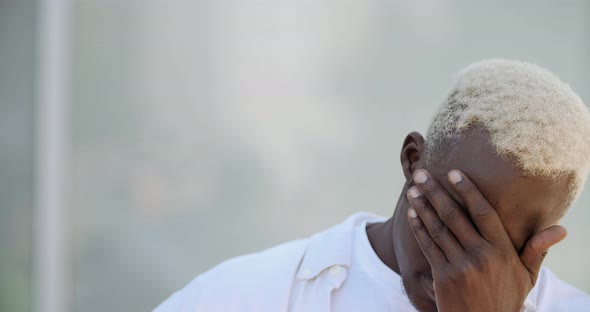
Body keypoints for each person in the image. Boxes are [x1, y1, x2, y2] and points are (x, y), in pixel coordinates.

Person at [154, 60, 590, 311]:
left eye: (504, 247)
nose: (465, 269)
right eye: (454, 218)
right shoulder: (244, 296)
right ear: (412, 160)